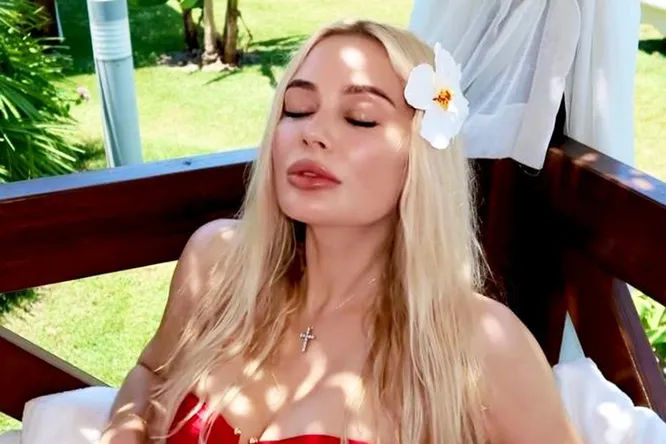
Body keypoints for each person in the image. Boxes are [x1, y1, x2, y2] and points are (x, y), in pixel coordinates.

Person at [99, 19, 583, 444]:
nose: (311, 133)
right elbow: (150, 372)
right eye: (297, 109)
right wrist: (123, 432)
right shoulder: (218, 263)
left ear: (421, 157)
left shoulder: (482, 344)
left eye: (360, 118)